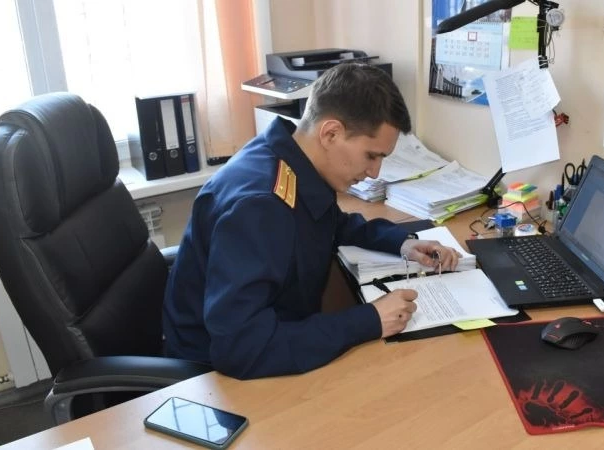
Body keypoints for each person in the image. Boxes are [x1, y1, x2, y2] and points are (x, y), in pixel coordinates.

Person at [163, 62, 462, 379]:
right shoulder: (260, 208)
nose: (375, 173)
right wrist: (369, 320)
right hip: (214, 376)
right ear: (330, 133)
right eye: (371, 155)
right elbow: (241, 349)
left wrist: (402, 243)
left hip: (271, 336)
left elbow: (331, 223)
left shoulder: (288, 158)